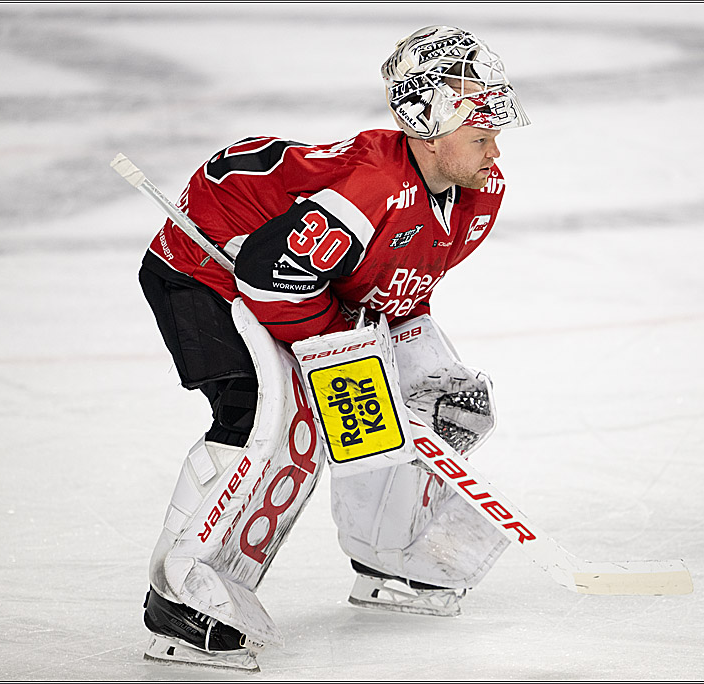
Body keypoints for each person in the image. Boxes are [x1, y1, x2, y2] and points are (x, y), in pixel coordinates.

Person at [136, 25, 530, 670]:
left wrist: (390, 376)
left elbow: (394, 286)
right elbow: (269, 274)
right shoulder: (366, 190)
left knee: (444, 401)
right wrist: (342, 366)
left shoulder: (478, 192)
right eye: (480, 133)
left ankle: (390, 555)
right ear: (429, 127)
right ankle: (184, 592)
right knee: (273, 420)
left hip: (308, 288)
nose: (495, 148)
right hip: (206, 273)